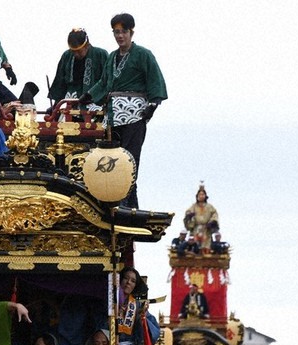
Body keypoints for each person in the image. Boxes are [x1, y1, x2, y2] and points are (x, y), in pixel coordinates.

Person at [80, 13, 167, 208]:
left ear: (131, 32)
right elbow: (104, 82)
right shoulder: (111, 57)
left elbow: (155, 80)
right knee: (111, 157)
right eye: (116, 32)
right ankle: (115, 197)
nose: (120, 36)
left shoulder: (144, 55)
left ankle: (127, 198)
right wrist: (90, 95)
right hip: (112, 114)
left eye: (124, 32)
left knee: (130, 157)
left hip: (134, 112)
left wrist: (153, 105)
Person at [48, 29, 107, 114]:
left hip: (93, 104)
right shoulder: (66, 56)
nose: (76, 54)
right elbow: (60, 83)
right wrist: (55, 106)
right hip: (70, 102)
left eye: (79, 51)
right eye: (73, 51)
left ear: (87, 45)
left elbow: (107, 81)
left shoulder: (100, 54)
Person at [183, 184, 219, 252]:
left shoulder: (210, 207)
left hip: (206, 228)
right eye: (200, 195)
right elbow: (188, 212)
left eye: (203, 195)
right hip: (196, 228)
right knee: (195, 243)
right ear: (197, 196)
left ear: (205, 196)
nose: (201, 196)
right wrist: (189, 215)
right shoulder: (194, 206)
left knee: (206, 244)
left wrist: (212, 221)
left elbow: (215, 215)